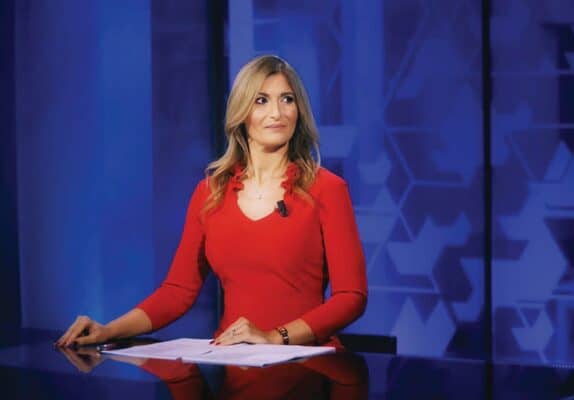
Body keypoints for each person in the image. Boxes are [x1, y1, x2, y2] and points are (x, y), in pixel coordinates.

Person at [56, 55, 367, 349]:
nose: (277, 113)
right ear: (241, 112)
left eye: (287, 99)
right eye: (261, 100)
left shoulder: (327, 189)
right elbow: (178, 291)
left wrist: (276, 337)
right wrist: (108, 331)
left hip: (306, 364)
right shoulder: (210, 193)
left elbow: (351, 296)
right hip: (232, 362)